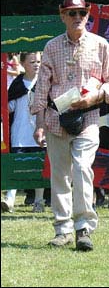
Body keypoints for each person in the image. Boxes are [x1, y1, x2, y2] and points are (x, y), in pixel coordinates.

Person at [31, 0, 109, 251]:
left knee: (82, 168)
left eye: (82, 12)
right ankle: (62, 230)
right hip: (56, 118)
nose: (78, 17)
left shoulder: (100, 44)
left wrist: (97, 95)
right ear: (62, 15)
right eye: (72, 13)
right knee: (59, 175)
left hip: (90, 117)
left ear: (88, 14)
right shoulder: (51, 47)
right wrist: (39, 123)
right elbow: (41, 89)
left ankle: (83, 227)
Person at [3, 52, 46, 214]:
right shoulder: (17, 84)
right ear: (23, 64)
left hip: (39, 132)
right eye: (32, 61)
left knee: (38, 166)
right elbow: (10, 107)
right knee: (16, 165)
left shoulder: (44, 83)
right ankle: (10, 199)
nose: (36, 64)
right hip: (20, 133)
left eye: (39, 61)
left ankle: (39, 201)